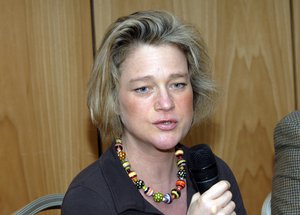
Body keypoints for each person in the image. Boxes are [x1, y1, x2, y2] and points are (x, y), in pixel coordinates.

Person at [61, 10, 246, 215]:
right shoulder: (89, 199)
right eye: (143, 88)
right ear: (113, 100)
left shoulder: (215, 173)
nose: (166, 103)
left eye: (177, 84)